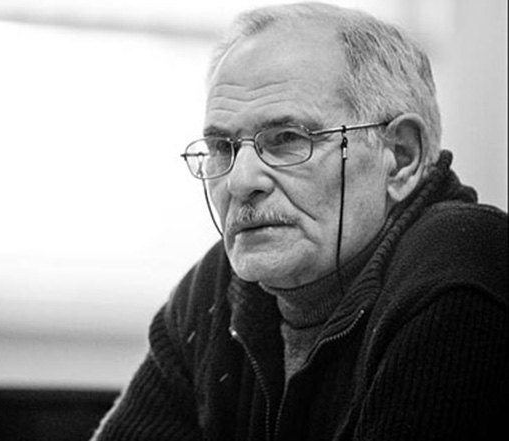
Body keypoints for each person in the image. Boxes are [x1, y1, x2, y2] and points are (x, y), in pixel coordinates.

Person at [91, 2, 508, 440]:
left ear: (401, 157)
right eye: (222, 148)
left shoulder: (465, 277)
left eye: (287, 139)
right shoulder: (216, 286)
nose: (239, 181)